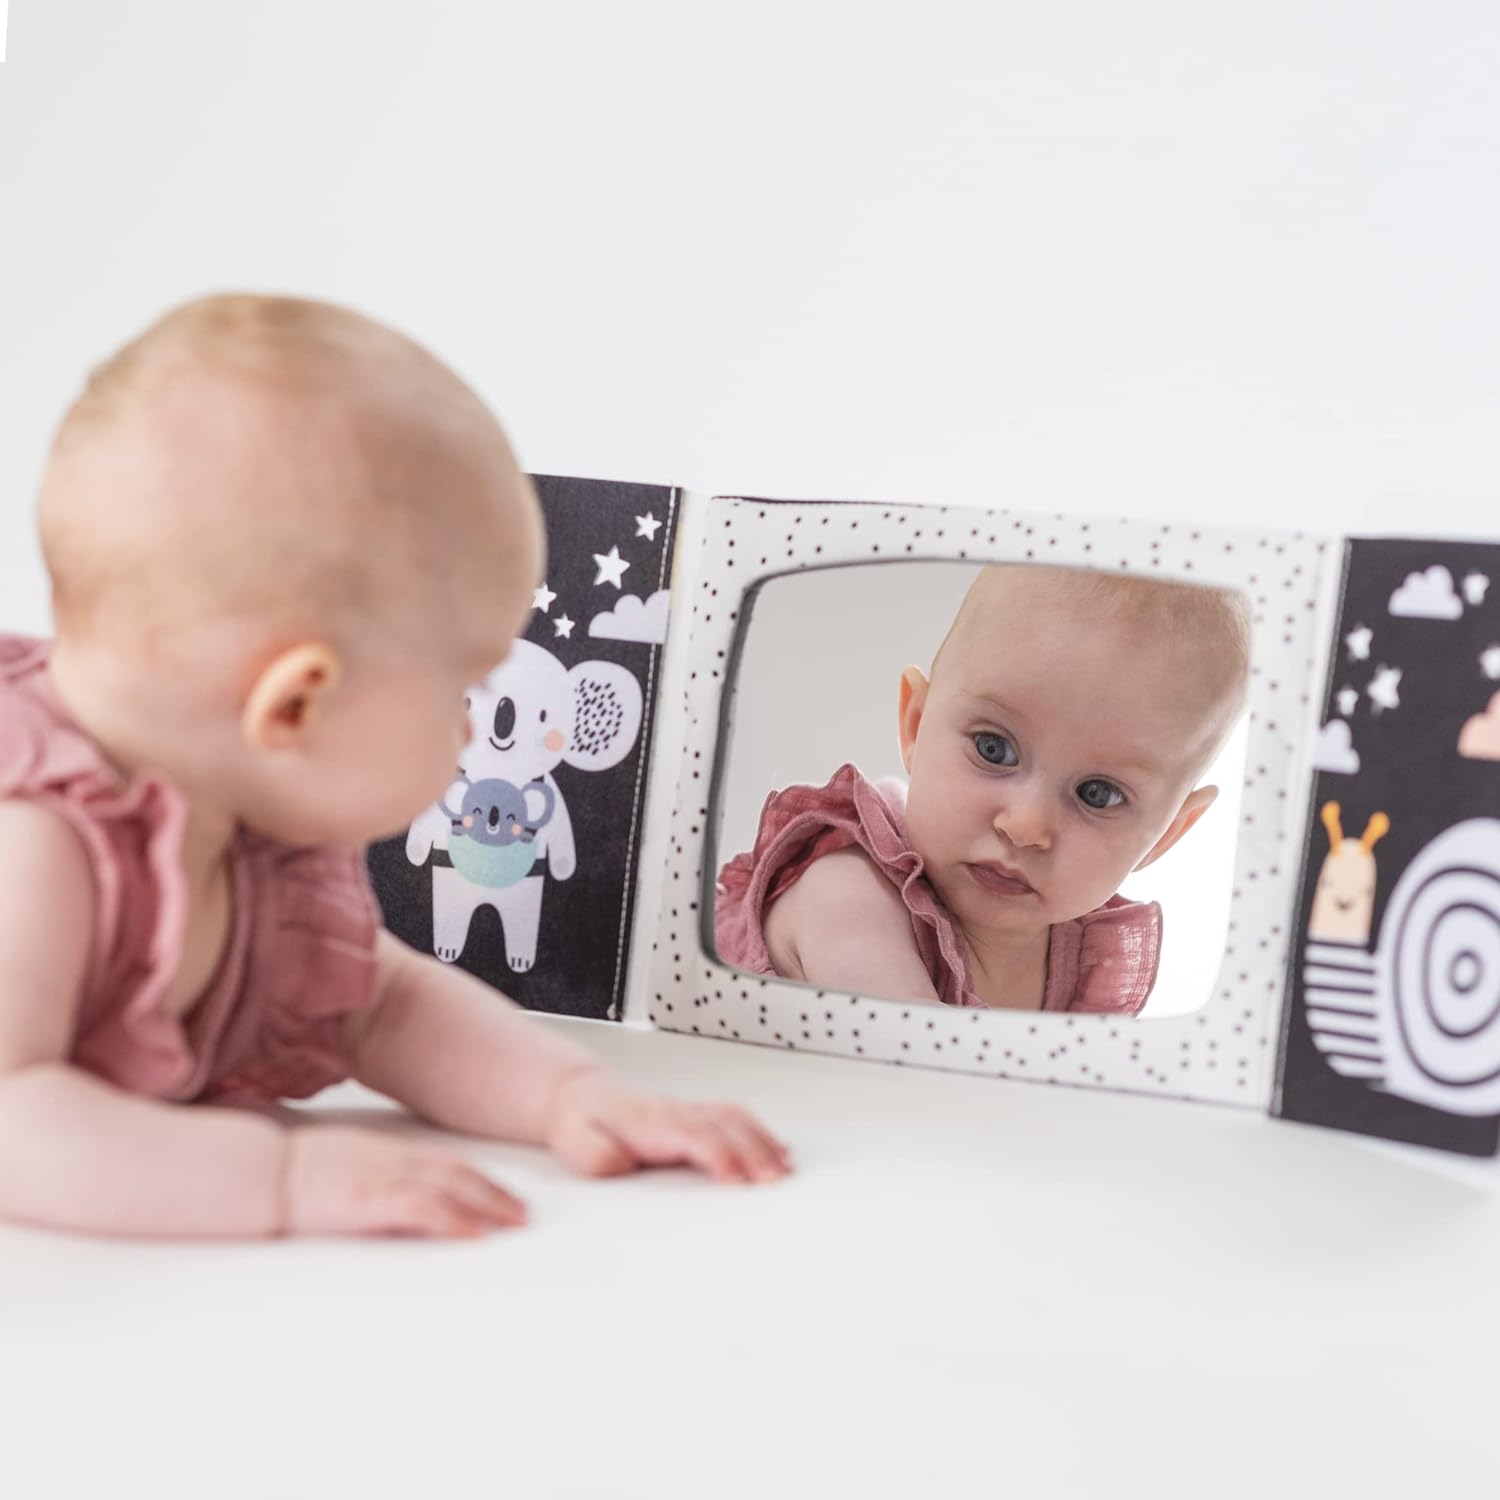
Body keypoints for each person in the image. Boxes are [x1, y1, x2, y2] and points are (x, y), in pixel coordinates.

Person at [0, 293, 789, 1240]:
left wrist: (568, 1096)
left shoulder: (254, 827)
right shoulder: (38, 844)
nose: (472, 738)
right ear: (295, 703)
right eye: (461, 687)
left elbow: (388, 1003)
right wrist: (284, 1180)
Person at [716, 564, 1251, 1015]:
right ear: (915, 725)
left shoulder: (1085, 955)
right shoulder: (851, 897)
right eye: (994, 749)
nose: (1025, 826)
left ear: (1166, 835)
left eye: (1098, 794)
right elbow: (917, 1093)